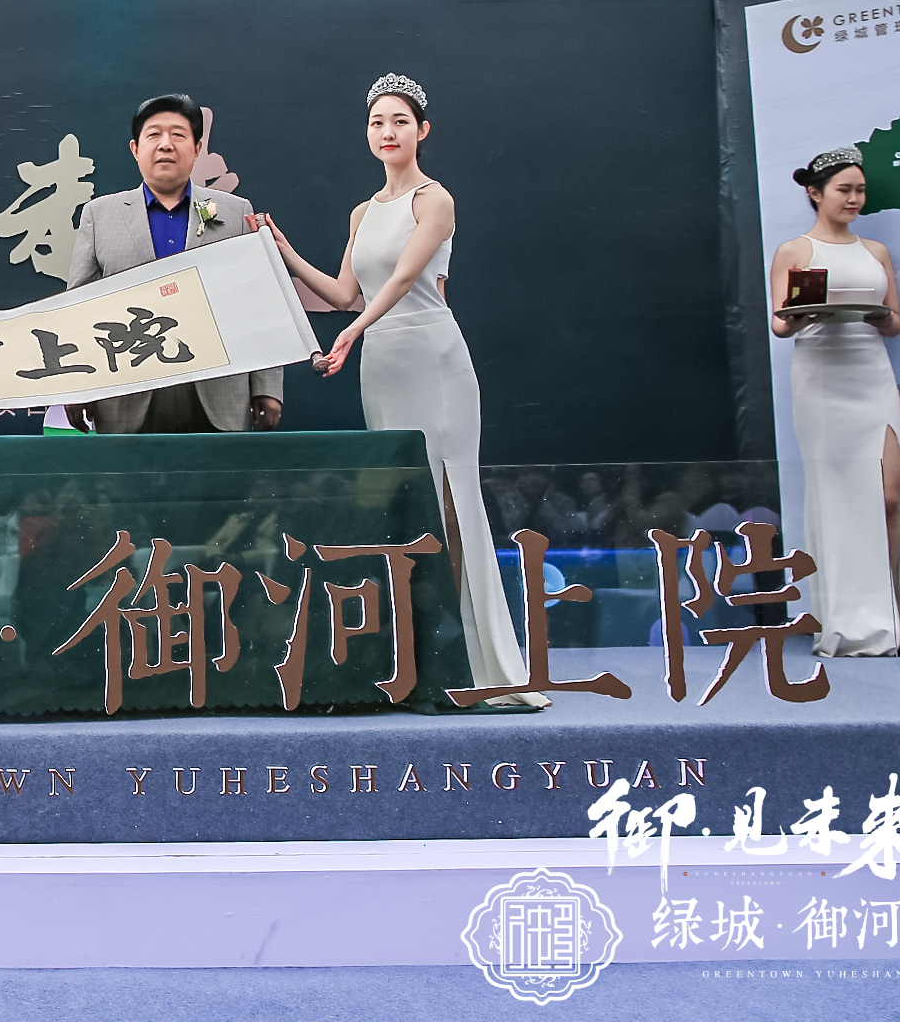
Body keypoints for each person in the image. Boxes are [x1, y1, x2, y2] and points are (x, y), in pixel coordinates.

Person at [261, 72, 540, 707]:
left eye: (400, 122)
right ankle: (418, 655)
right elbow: (343, 293)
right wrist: (285, 251)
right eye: (377, 123)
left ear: (422, 130)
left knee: (451, 498)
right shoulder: (362, 212)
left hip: (432, 358)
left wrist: (351, 333)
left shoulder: (434, 200)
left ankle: (477, 663)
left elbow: (404, 279)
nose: (387, 132)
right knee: (402, 502)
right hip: (382, 362)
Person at [770, 144, 900, 656]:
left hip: (871, 372)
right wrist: (802, 315)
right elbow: (781, 324)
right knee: (835, 501)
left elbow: (895, 323)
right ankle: (846, 619)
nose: (854, 199)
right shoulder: (796, 251)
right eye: (844, 190)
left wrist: (880, 318)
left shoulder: (875, 251)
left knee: (889, 497)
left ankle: (890, 619)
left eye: (860, 190)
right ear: (815, 194)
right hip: (821, 377)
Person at [61, 93, 284, 433]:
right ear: (135, 149)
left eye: (178, 135)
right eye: (154, 134)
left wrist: (267, 387)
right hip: (128, 391)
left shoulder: (236, 212)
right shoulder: (99, 215)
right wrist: (76, 386)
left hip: (218, 390)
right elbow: (78, 307)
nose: (166, 144)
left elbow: (257, 304)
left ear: (197, 149)